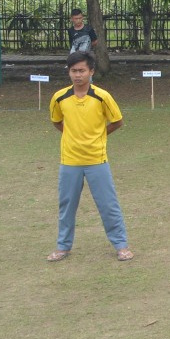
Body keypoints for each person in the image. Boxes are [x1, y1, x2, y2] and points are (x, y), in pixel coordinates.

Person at [47, 51, 132, 262]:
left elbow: (117, 121)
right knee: (66, 205)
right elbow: (57, 121)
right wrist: (71, 136)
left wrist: (99, 136)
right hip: (69, 161)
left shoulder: (102, 96)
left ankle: (121, 246)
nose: (78, 75)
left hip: (97, 160)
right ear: (69, 72)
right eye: (74, 71)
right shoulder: (59, 97)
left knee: (108, 204)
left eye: (82, 71)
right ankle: (63, 246)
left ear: (91, 71)